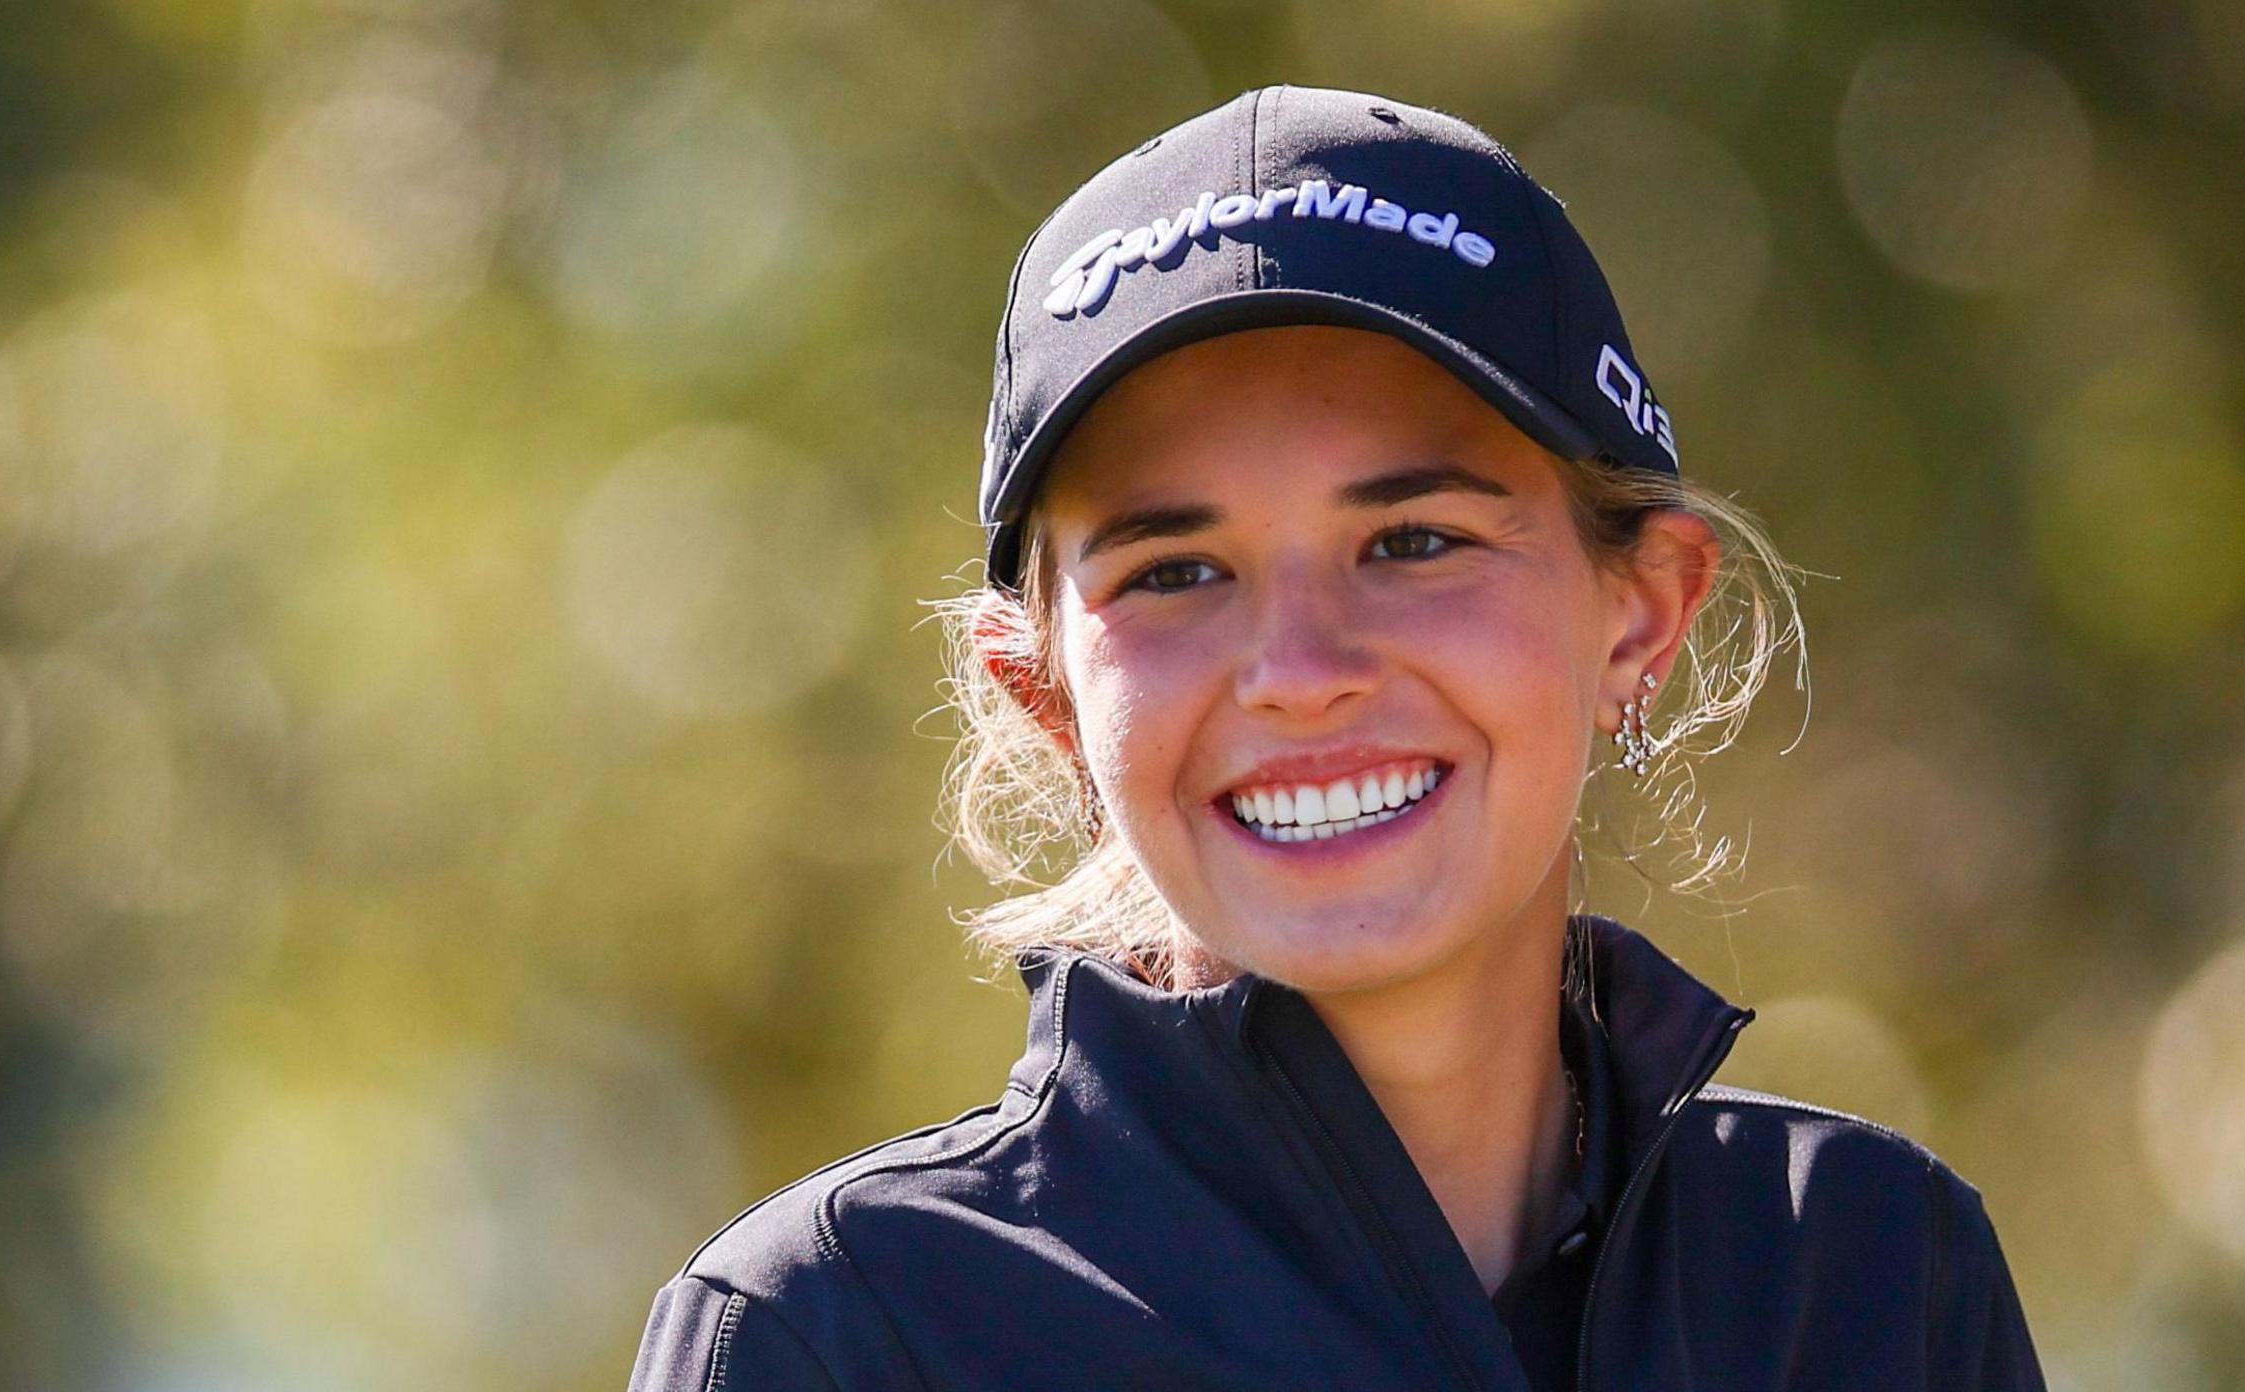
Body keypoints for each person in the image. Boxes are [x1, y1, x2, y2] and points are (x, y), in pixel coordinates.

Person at [626, 85, 2049, 1391]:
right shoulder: (840, 1333)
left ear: (1640, 615)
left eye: (1414, 540)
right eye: (1175, 572)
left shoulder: (1866, 1276)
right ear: (1045, 692)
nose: (1299, 673)